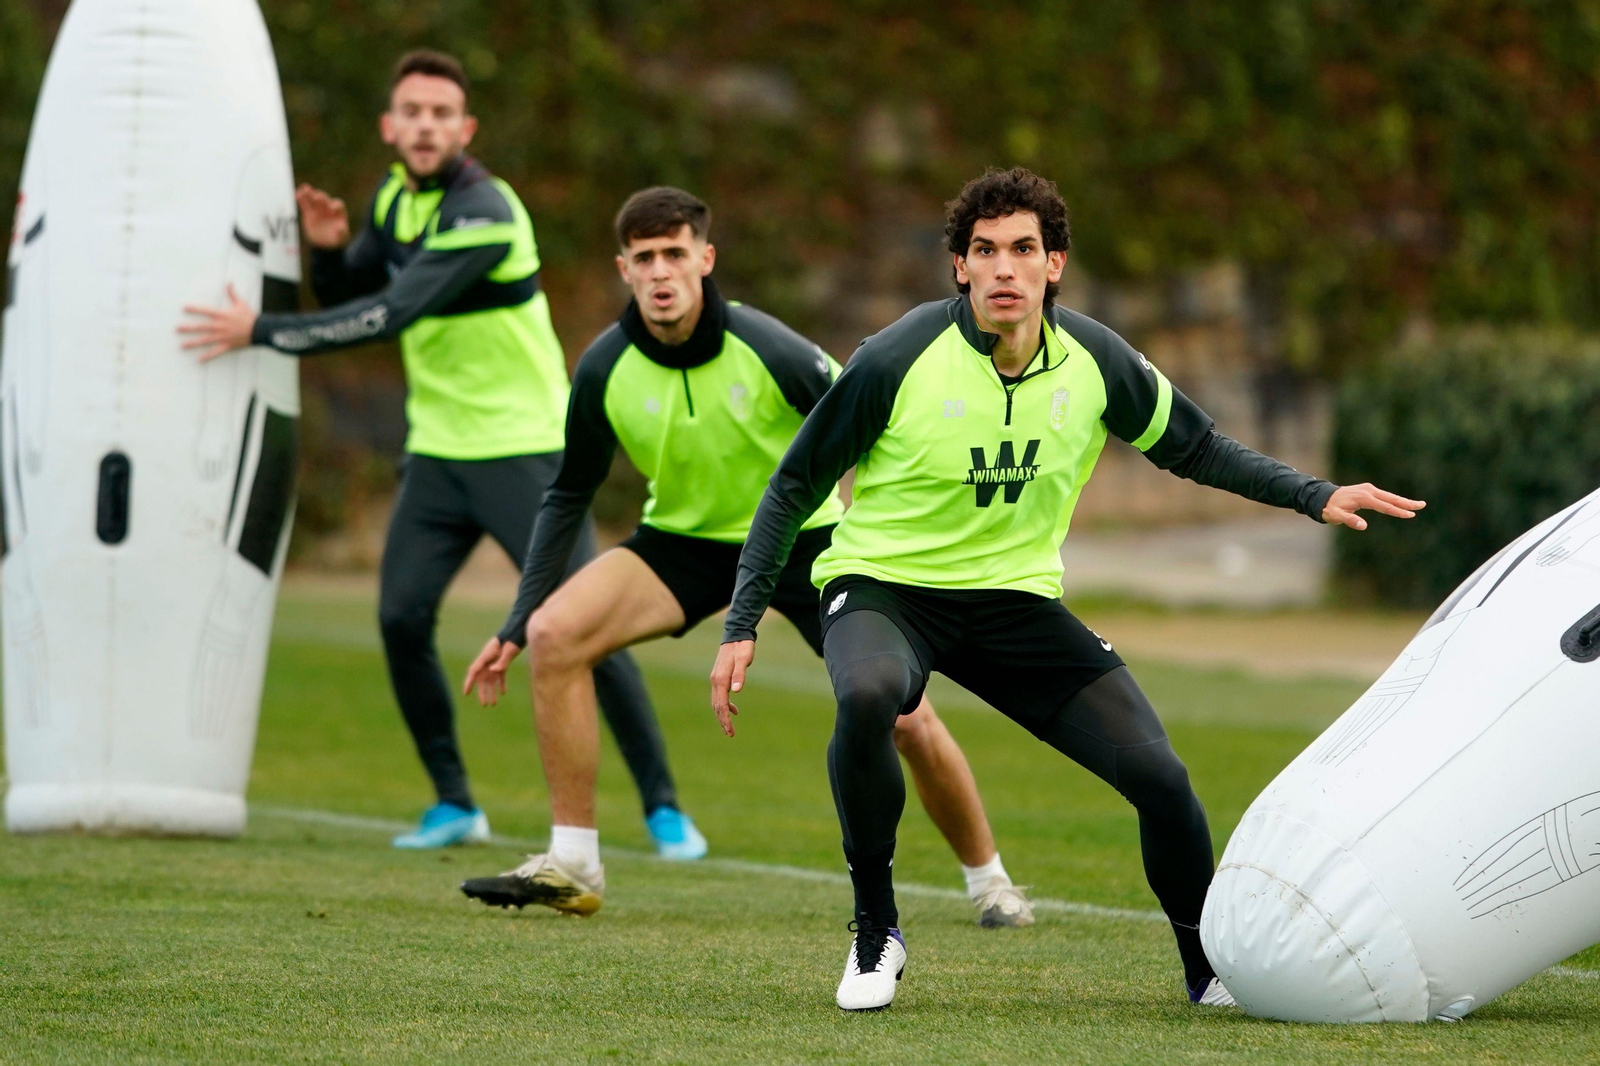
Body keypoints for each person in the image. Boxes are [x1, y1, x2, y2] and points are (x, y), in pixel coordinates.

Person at [710, 167, 1425, 1011]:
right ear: (959, 268)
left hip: (1015, 606)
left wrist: (1315, 493)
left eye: (1024, 249)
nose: (1004, 268)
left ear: (1054, 265)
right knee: (868, 695)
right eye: (985, 251)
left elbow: (1196, 449)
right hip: (884, 590)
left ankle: (1207, 970)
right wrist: (742, 621)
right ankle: (875, 936)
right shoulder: (895, 357)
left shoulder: (1095, 359)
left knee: (1162, 781)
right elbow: (793, 486)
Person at [455, 187, 1030, 926]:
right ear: (623, 269)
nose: (661, 272)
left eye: (674, 254)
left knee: (903, 715)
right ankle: (573, 863)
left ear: (705, 258)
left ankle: (992, 884)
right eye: (645, 259)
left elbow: (877, 428)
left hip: (807, 542)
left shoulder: (777, 352)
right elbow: (567, 496)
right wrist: (514, 620)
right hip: (683, 544)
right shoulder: (602, 369)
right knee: (553, 636)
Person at [179, 50, 702, 858]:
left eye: (440, 113)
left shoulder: (483, 211)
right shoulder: (394, 199)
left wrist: (262, 333)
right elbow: (354, 288)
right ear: (392, 127)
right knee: (398, 616)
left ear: (465, 129)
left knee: (581, 631)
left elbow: (388, 314)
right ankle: (454, 801)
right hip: (438, 455)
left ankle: (665, 809)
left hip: (528, 452)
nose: (425, 125)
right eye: (411, 113)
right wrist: (325, 253)